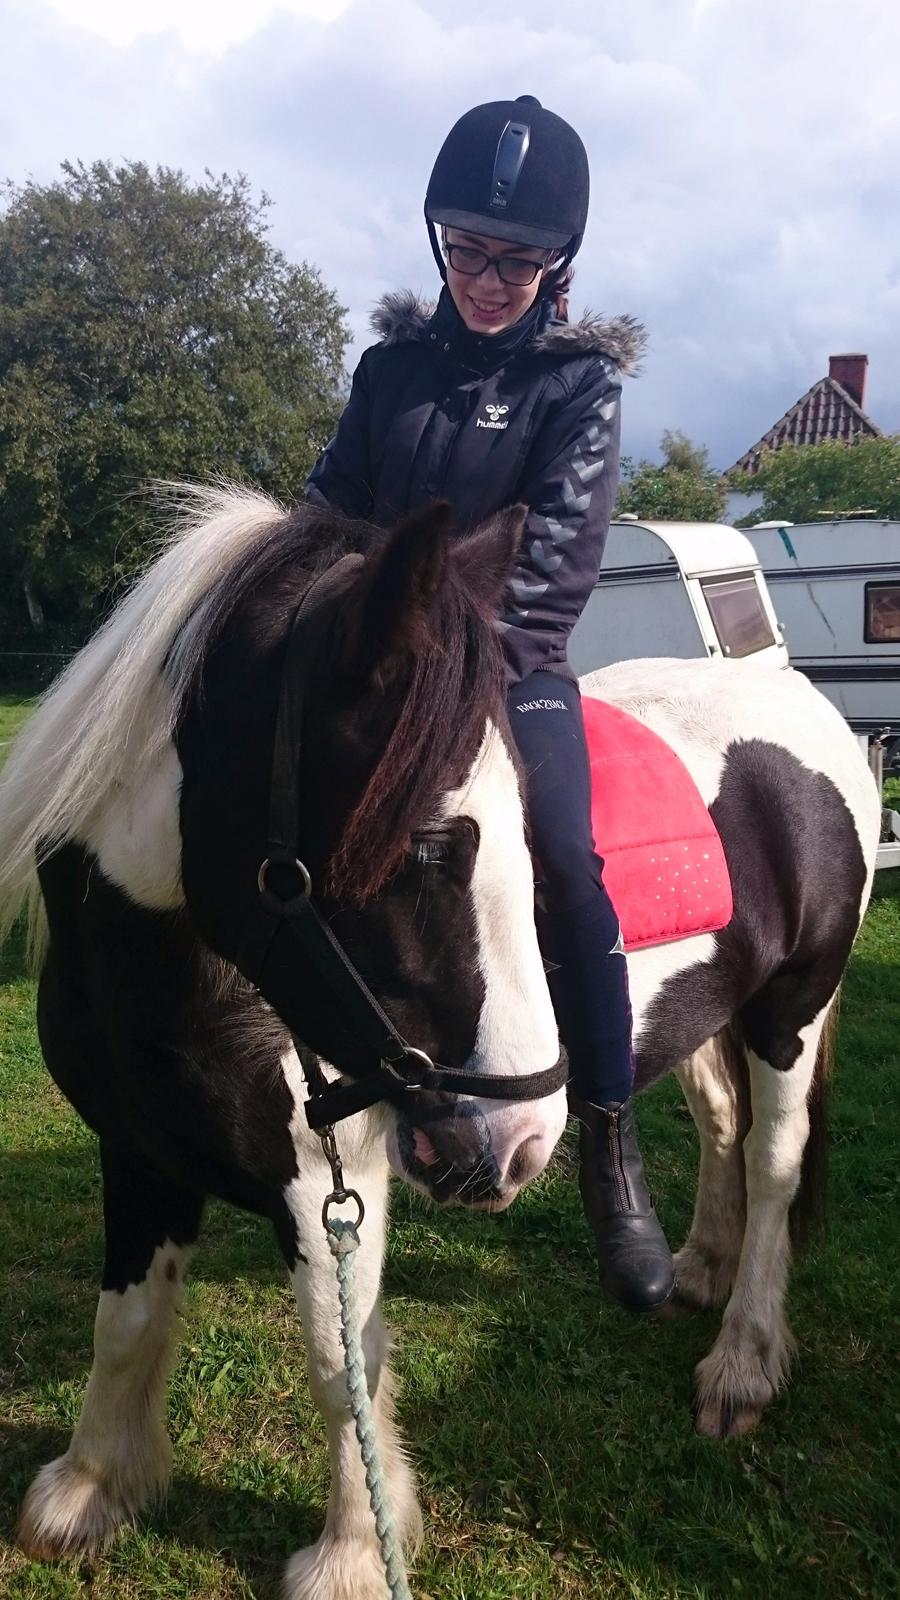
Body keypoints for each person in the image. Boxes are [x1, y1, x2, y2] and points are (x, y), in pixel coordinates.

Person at [306, 95, 675, 1313]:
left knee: (566, 857)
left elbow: (554, 573)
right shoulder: (388, 372)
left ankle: (612, 1151)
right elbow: (326, 518)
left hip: (513, 673)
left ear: (559, 264)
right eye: (466, 249)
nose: (485, 279)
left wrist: (441, 687)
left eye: (516, 261)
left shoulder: (580, 387)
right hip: (380, 672)